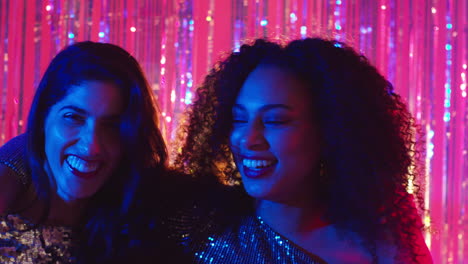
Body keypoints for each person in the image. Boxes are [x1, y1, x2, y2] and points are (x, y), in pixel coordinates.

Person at [172, 38, 433, 263]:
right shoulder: (199, 232)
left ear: (330, 130)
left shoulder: (384, 232)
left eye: (275, 120)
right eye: (238, 119)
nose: (248, 139)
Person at [0, 41, 181, 263]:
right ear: (43, 118)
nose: (91, 145)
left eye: (112, 125)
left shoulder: (149, 222)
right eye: (73, 117)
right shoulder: (7, 195)